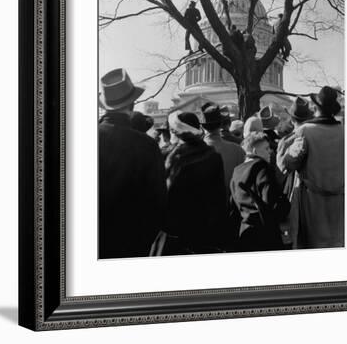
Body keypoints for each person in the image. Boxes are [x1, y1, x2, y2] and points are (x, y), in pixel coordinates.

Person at [98, 68, 167, 258]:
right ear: (133, 104)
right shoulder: (147, 145)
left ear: (105, 106)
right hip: (133, 244)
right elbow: (158, 202)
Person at [150, 111, 227, 255]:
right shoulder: (213, 156)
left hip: (171, 231)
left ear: (176, 131)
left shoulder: (165, 155)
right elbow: (218, 199)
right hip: (203, 231)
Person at [277, 86, 344, 249]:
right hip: (340, 202)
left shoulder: (305, 131)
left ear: (316, 108)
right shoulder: (345, 131)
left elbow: (287, 164)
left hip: (312, 204)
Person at [229, 132, 289, 252]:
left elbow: (232, 205)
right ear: (255, 151)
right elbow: (272, 202)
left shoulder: (236, 171)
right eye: (266, 149)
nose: (270, 152)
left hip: (245, 232)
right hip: (265, 234)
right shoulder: (262, 168)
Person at [276, 97, 314, 247]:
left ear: (292, 120)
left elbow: (281, 170)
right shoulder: (316, 136)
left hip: (294, 192)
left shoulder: (287, 141)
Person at [201, 103, 245, 192]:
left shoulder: (194, 152)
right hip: (232, 201)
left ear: (202, 126)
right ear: (221, 124)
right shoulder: (237, 150)